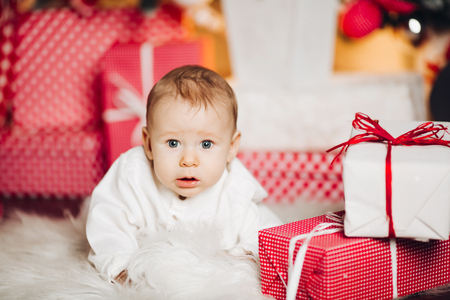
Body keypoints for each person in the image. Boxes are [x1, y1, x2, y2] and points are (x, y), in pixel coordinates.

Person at [86, 65, 282, 284]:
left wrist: (237, 257)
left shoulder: (237, 189)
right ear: (149, 144)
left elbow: (269, 236)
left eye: (206, 144)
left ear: (231, 147)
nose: (189, 160)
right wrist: (121, 268)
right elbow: (107, 222)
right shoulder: (133, 173)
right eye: (173, 143)